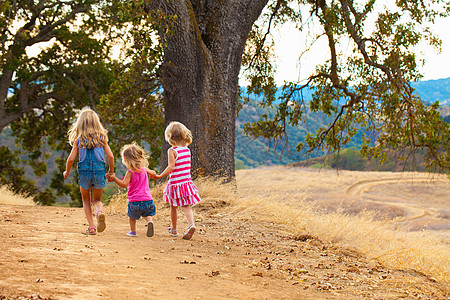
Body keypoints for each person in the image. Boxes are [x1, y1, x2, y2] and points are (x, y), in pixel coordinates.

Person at [63, 108, 114, 235]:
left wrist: (67, 172)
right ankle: (99, 212)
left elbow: (70, 159)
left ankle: (91, 227)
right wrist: (111, 172)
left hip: (84, 171)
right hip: (99, 170)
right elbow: (111, 156)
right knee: (96, 200)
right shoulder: (102, 138)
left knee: (86, 200)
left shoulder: (78, 140)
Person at [152, 121, 201, 240]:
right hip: (186, 182)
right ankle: (191, 225)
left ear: (170, 137)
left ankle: (174, 230)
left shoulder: (172, 151)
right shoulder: (186, 150)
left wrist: (160, 176)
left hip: (175, 184)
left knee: (173, 207)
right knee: (186, 206)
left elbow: (171, 167)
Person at [106, 142, 157, 237]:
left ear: (126, 160)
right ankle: (149, 222)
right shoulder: (144, 169)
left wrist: (115, 178)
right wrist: (152, 173)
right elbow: (153, 173)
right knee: (147, 214)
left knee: (132, 217)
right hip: (148, 200)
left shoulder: (130, 173)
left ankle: (133, 231)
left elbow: (124, 185)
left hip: (135, 201)